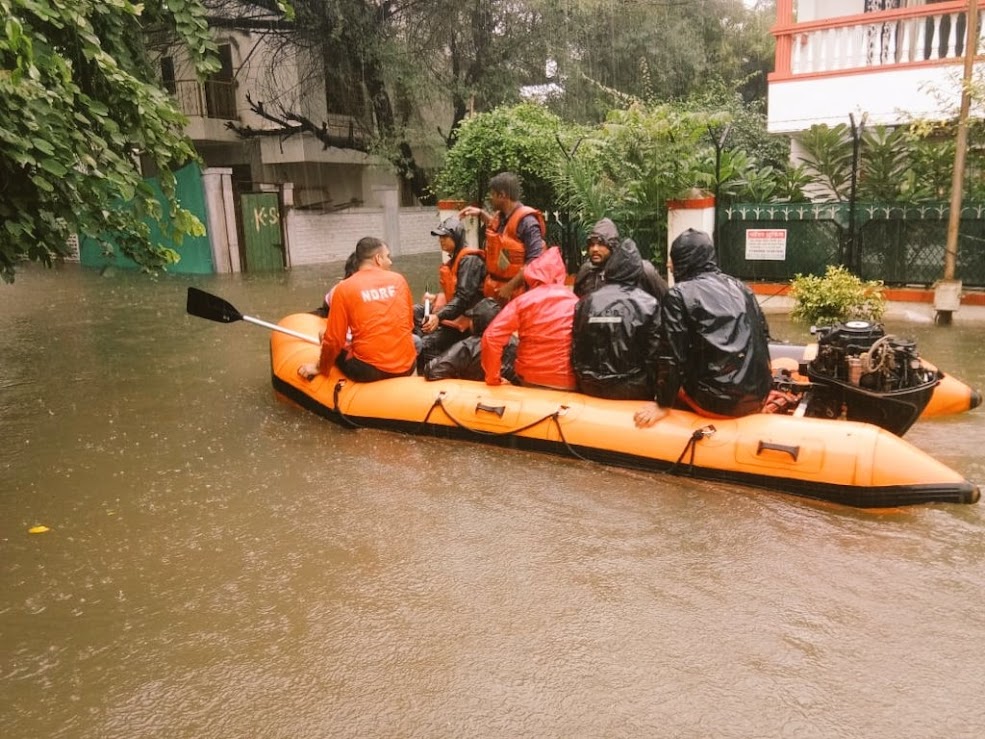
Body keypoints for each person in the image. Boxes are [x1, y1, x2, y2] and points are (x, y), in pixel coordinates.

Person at [634, 229, 772, 426]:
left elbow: (671, 355)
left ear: (685, 260)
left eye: (673, 258)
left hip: (716, 402)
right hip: (758, 395)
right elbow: (764, 335)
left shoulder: (678, 295)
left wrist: (662, 403)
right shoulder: (740, 287)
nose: (668, 265)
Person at [298, 237, 416, 383]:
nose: (390, 262)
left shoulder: (344, 287)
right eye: (388, 257)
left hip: (369, 371)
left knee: (325, 336)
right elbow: (409, 324)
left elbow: (334, 340)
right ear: (378, 259)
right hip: (408, 366)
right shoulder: (399, 280)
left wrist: (320, 367)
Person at [571, 238, 662, 400]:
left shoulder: (586, 302)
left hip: (589, 385)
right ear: (636, 271)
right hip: (632, 387)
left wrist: (584, 377)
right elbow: (654, 353)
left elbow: (577, 346)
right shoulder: (648, 304)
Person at [481, 246, 578, 390]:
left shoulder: (522, 301)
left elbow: (491, 337)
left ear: (533, 274)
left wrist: (493, 378)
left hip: (531, 379)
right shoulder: (576, 301)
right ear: (560, 273)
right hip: (568, 381)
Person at [459, 171, 545, 303]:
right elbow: (502, 237)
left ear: (502, 195)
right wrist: (481, 213)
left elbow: (535, 262)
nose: (490, 198)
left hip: (517, 294)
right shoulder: (501, 217)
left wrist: (510, 287)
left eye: (493, 194)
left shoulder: (528, 223)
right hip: (496, 288)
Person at [416, 217, 486, 372]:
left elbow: (463, 298)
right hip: (456, 314)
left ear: (457, 236)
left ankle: (429, 374)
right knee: (415, 311)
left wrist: (438, 316)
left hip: (468, 321)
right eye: (439, 237)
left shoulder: (469, 260)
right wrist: (435, 298)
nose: (441, 240)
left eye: (445, 237)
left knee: (426, 344)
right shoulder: (455, 259)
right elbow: (452, 292)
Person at [422, 297, 518, 384]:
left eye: (472, 318)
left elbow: (432, 371)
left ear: (477, 322)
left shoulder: (467, 347)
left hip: (471, 396)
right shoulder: (516, 344)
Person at [573, 218, 668, 302]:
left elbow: (666, 301)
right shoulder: (586, 272)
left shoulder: (642, 270)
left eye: (601, 244)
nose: (595, 249)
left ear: (612, 246)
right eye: (592, 244)